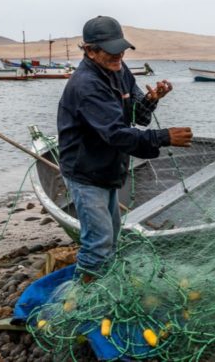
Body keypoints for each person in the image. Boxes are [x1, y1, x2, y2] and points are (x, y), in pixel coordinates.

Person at [57, 15, 193, 282]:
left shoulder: (119, 70)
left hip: (108, 168)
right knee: (98, 243)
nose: (118, 55)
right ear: (90, 51)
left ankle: (103, 285)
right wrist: (163, 137)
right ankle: (81, 301)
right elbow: (117, 134)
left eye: (121, 48)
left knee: (111, 238)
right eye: (111, 50)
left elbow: (136, 116)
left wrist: (152, 100)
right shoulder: (86, 85)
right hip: (85, 173)